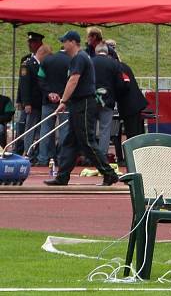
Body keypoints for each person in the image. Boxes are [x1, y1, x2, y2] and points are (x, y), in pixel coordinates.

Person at [44, 30, 119, 186]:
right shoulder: (81, 57)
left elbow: (73, 80)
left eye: (64, 41)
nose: (63, 45)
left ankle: (109, 173)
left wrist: (63, 100)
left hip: (84, 103)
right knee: (70, 141)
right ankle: (62, 176)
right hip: (79, 103)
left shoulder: (79, 58)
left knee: (87, 140)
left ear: (72, 42)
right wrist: (66, 102)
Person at [36, 44, 71, 166]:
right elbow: (71, 81)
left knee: (45, 129)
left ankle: (43, 158)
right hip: (64, 101)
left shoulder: (47, 60)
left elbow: (40, 78)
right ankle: (62, 158)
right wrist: (61, 95)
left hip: (48, 100)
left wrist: (49, 93)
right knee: (64, 130)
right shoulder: (71, 61)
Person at [91, 42, 124, 158]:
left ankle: (91, 155)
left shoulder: (90, 62)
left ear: (96, 51)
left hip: (91, 100)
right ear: (107, 51)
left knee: (91, 128)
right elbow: (120, 84)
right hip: (108, 101)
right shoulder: (114, 64)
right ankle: (102, 155)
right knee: (105, 129)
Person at [19, 40, 46, 160]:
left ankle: (38, 152)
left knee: (41, 128)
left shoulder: (43, 62)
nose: (29, 45)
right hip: (33, 103)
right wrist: (26, 103)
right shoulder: (28, 64)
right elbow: (24, 86)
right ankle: (28, 152)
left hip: (43, 102)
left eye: (32, 42)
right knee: (30, 128)